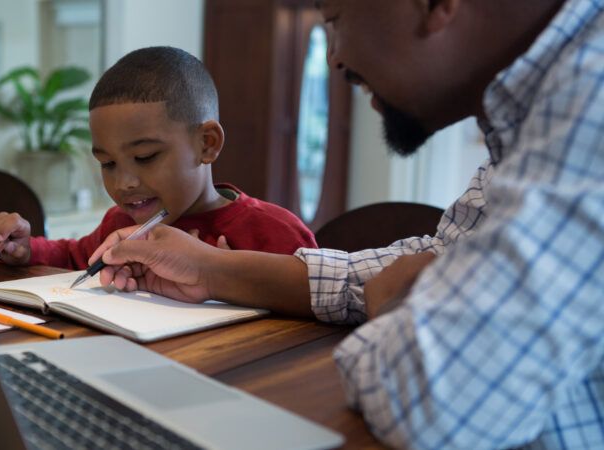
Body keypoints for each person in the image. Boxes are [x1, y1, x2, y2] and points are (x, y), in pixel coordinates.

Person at [88, 0, 604, 447]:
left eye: (334, 18)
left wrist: (392, 309)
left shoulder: (591, 109)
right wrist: (211, 271)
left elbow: (431, 404)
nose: (335, 56)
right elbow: (429, 261)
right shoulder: (533, 121)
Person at [0, 46, 317, 270]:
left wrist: (231, 281)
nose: (124, 183)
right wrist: (25, 250)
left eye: (145, 156)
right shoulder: (122, 225)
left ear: (207, 144)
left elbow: (315, 313)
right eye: (107, 164)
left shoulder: (275, 234)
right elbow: (73, 256)